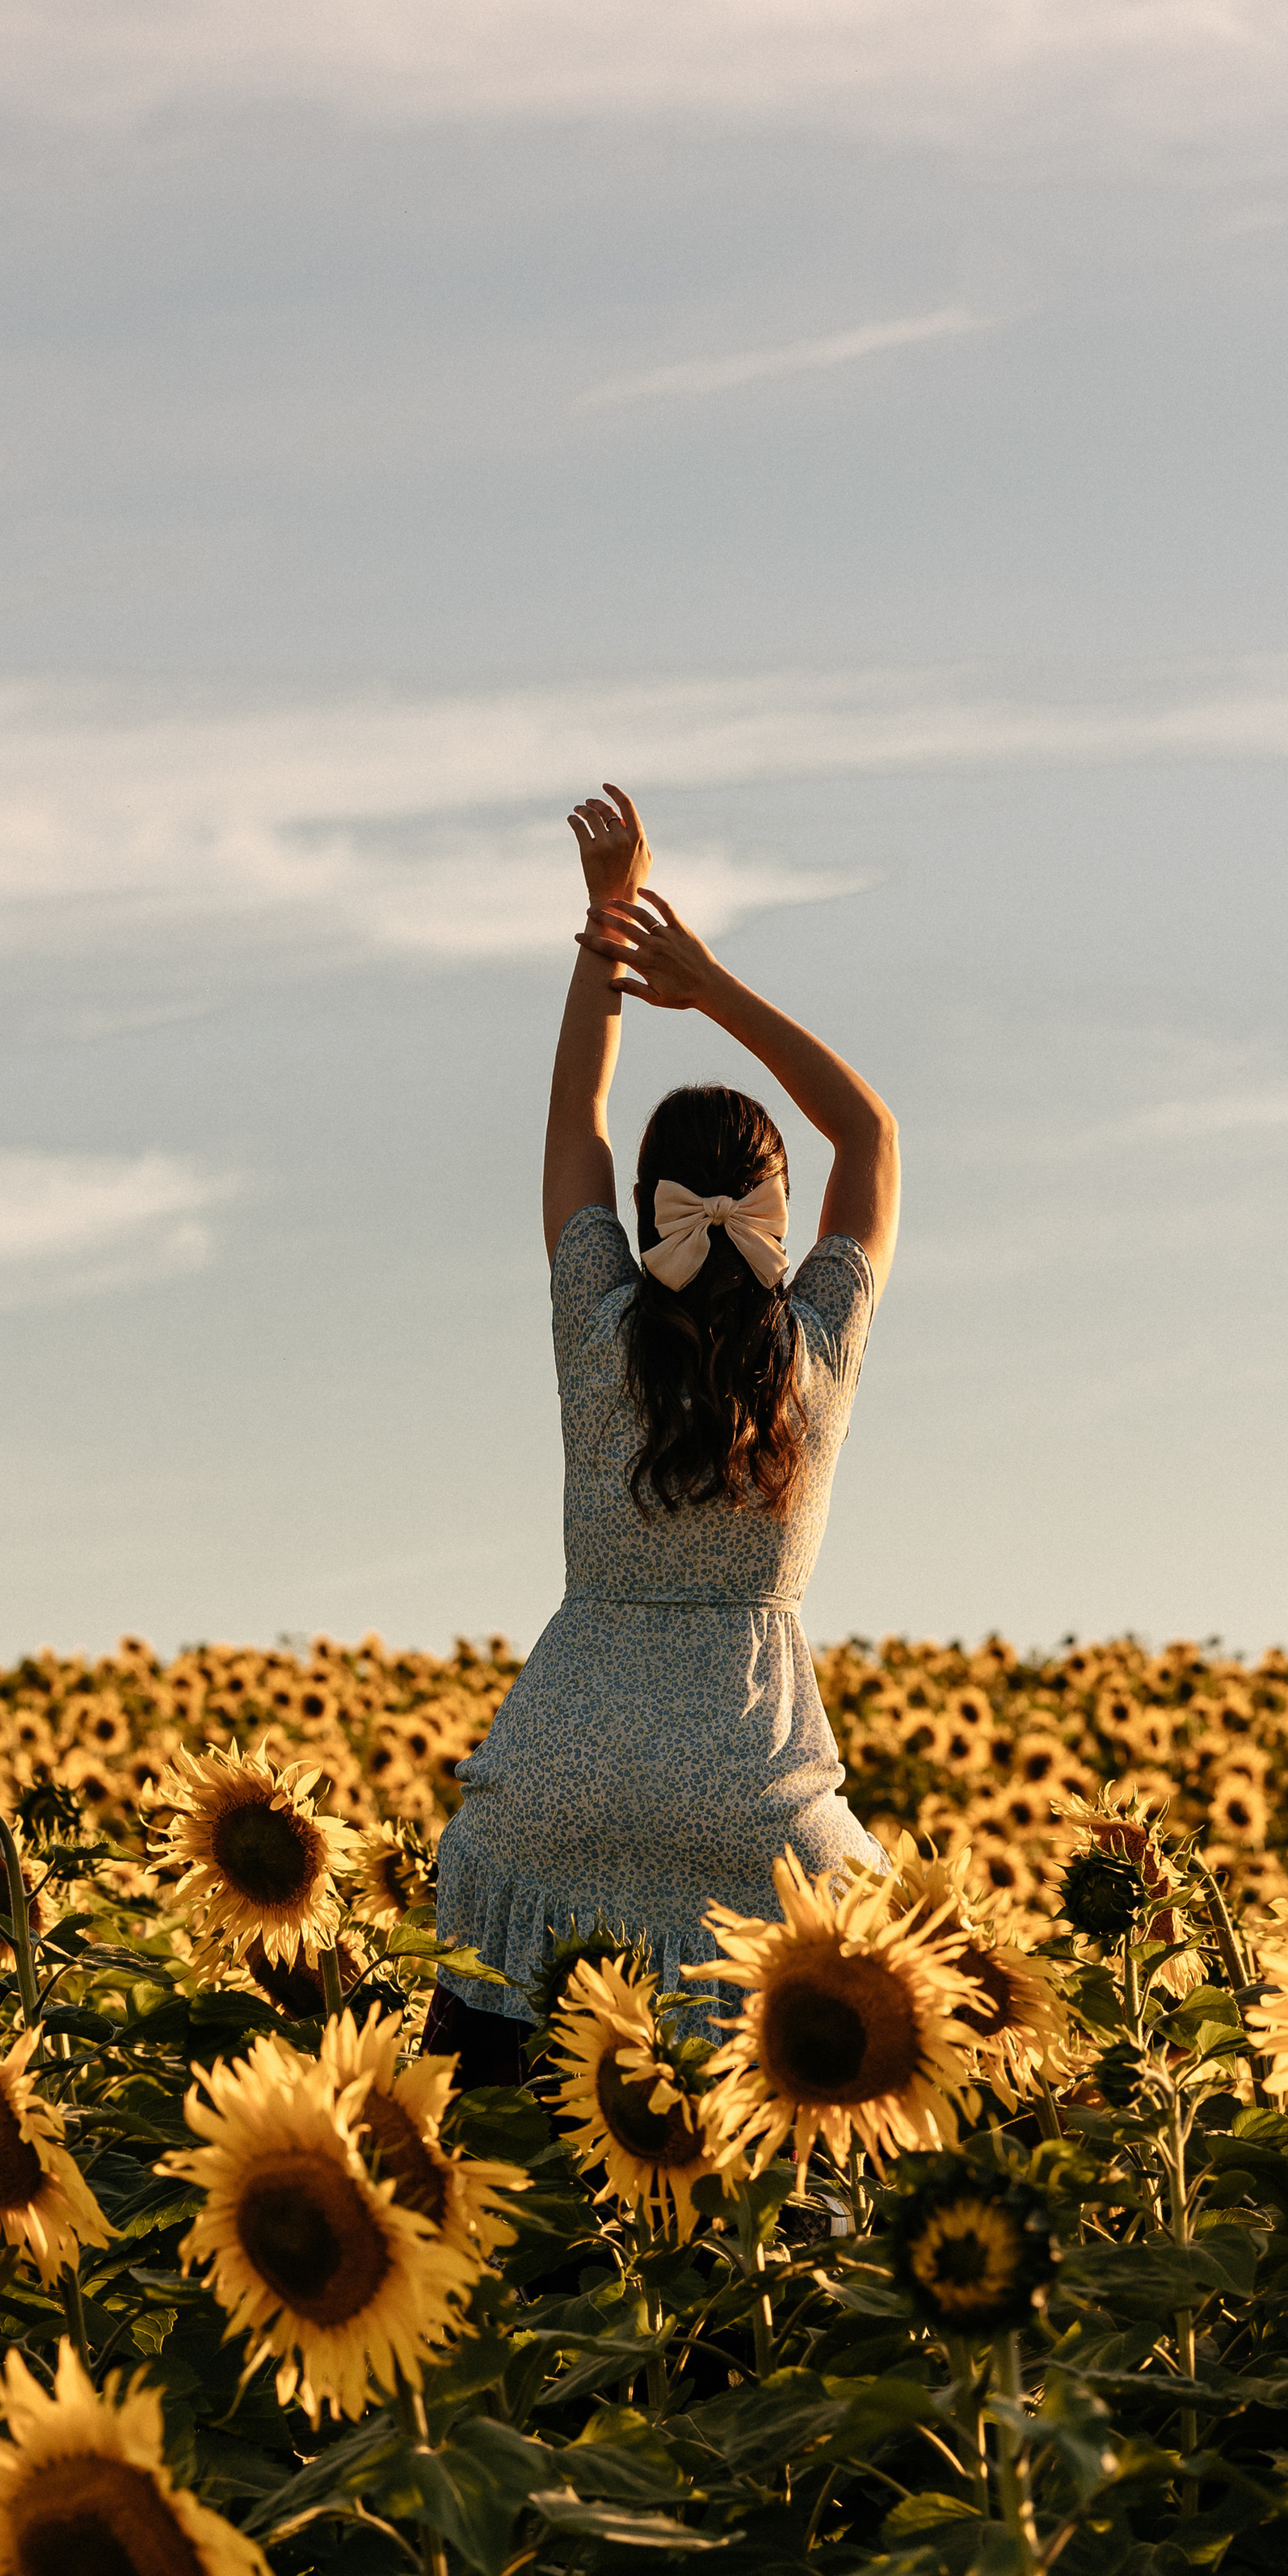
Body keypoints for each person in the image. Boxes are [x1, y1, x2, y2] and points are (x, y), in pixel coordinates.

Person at [423, 782, 901, 2083]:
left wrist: (608, 923)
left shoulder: (599, 1326)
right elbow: (869, 1129)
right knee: (786, 2167)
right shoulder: (818, 1349)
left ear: (646, 1214)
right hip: (750, 1805)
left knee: (505, 2148)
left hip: (564, 1785)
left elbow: (576, 1113)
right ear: (778, 1213)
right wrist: (711, 983)